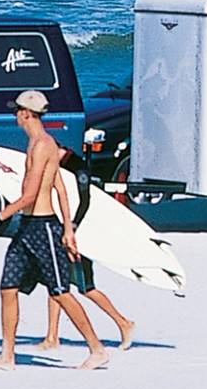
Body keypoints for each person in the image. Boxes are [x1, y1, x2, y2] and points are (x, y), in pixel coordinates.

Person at [0, 91, 110, 371]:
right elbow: (59, 187)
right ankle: (7, 357)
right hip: (27, 228)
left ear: (26, 113)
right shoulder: (38, 143)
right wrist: (69, 227)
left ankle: (97, 349)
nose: (15, 116)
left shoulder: (43, 146)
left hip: (43, 228)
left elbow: (30, 195)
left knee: (60, 292)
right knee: (8, 288)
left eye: (17, 111)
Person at [38, 147, 137, 352]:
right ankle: (51, 336)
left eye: (55, 150)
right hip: (65, 233)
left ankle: (123, 322)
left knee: (86, 288)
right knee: (56, 284)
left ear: (63, 149)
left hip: (79, 237)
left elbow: (85, 202)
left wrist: (73, 228)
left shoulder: (79, 169)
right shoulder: (59, 167)